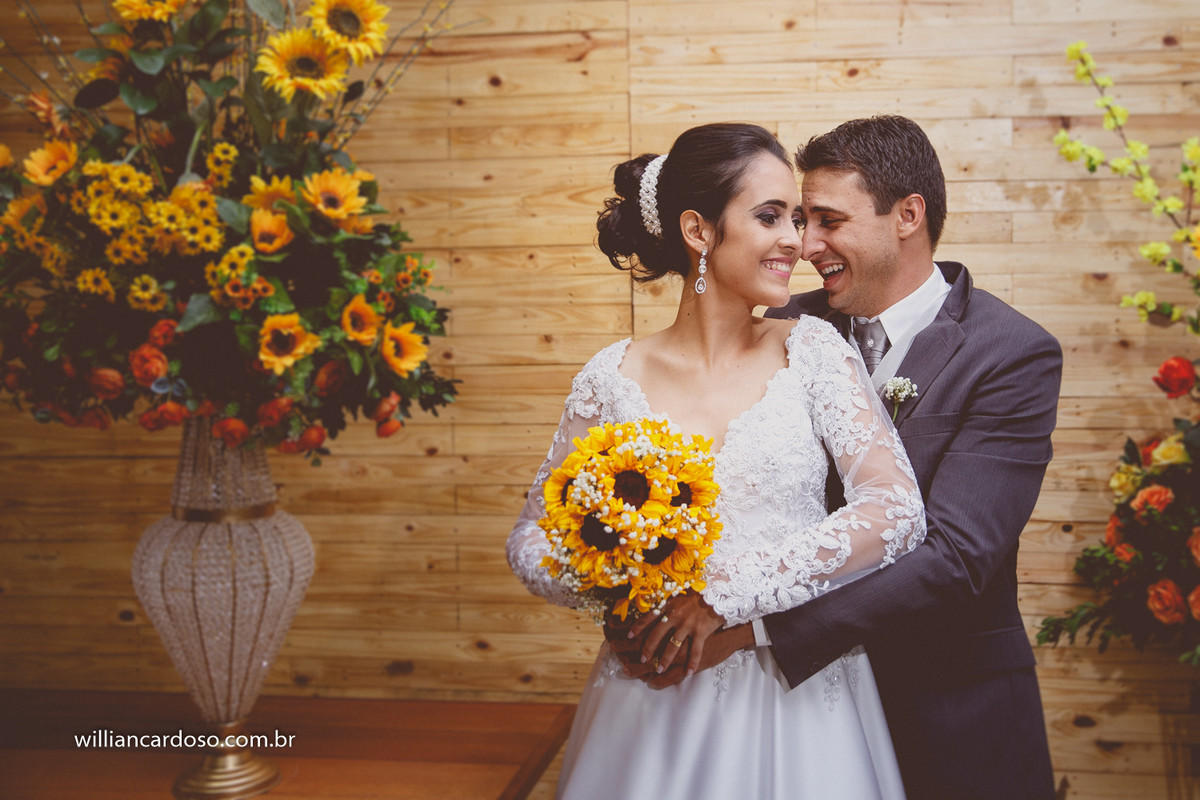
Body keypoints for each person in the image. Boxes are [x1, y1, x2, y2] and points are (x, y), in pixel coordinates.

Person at [615, 115, 1062, 800]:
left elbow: (957, 554)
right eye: (797, 217)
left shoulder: (1009, 352)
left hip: (949, 709)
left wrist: (747, 625)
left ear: (907, 214)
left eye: (826, 220)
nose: (804, 245)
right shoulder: (783, 327)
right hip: (789, 717)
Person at [506, 122, 926, 799]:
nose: (796, 239)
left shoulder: (813, 352)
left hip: (797, 707)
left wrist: (721, 597)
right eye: (770, 217)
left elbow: (897, 509)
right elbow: (530, 537)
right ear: (700, 232)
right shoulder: (610, 376)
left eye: (796, 217)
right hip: (648, 700)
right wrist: (615, 584)